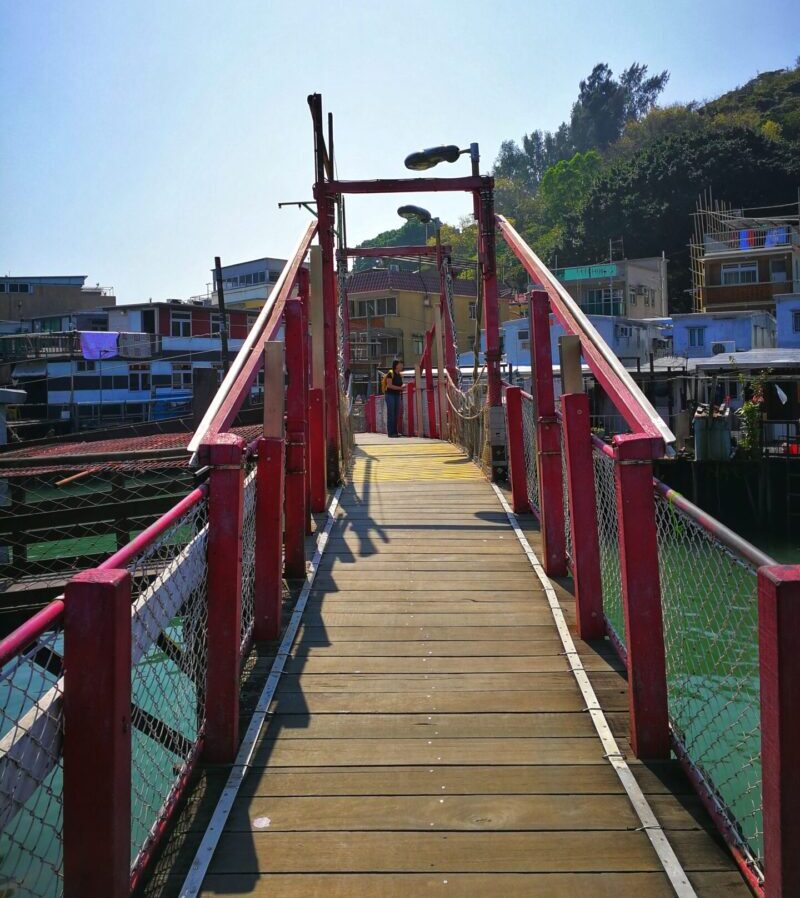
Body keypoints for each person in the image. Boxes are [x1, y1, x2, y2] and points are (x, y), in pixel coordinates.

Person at [384, 358, 404, 437]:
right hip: (390, 395)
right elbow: (389, 385)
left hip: (397, 395)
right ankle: (391, 433)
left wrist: (403, 386)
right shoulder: (390, 373)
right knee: (391, 413)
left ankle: (395, 432)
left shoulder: (399, 374)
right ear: (396, 365)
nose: (402, 365)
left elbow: (400, 385)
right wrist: (400, 388)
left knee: (396, 413)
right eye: (400, 364)